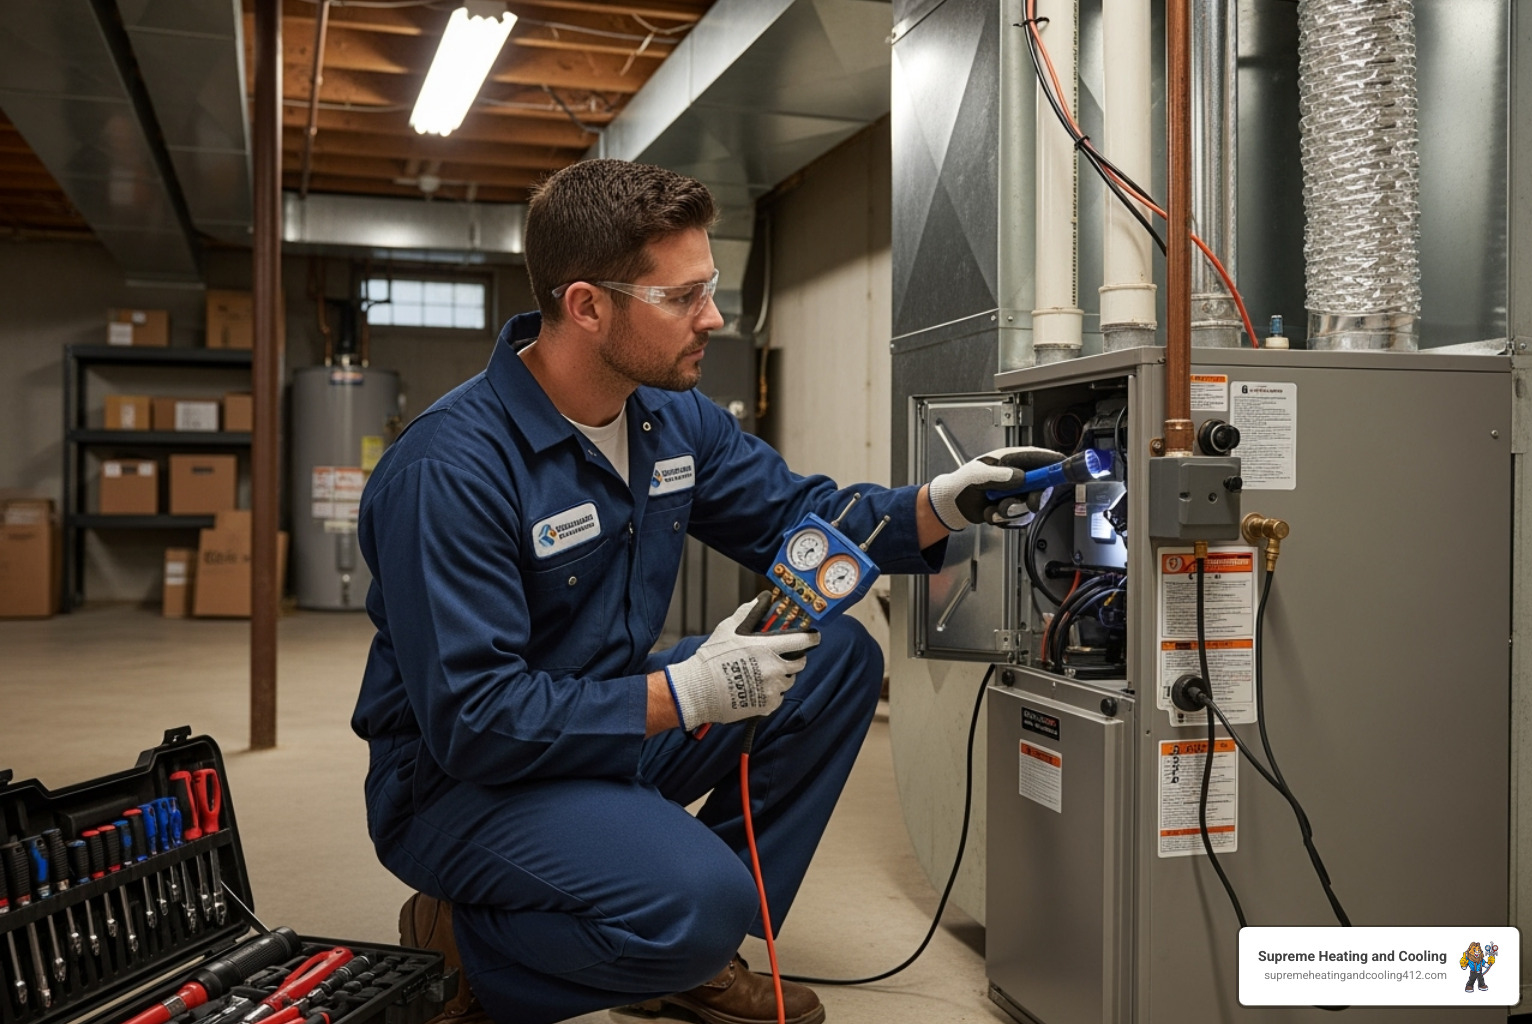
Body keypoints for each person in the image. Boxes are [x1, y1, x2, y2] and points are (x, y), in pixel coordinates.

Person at [351, 159, 1059, 1024]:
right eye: (682, 297)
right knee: (700, 904)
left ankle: (678, 940)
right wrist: (687, 692)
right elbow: (477, 720)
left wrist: (944, 504)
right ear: (586, 306)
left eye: (710, 288)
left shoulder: (666, 417)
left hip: (599, 726)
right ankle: (468, 946)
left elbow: (801, 519)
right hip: (461, 782)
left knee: (831, 657)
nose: (713, 318)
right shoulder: (449, 470)